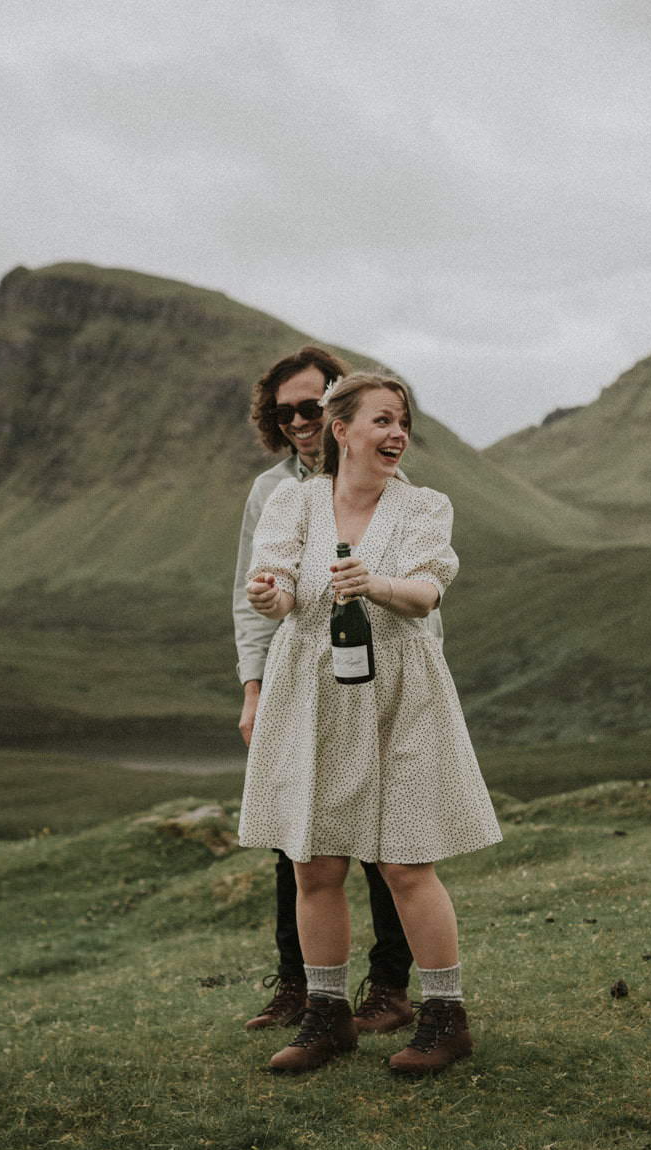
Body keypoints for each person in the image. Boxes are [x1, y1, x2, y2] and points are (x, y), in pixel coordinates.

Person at [239, 370, 500, 1076]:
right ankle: (327, 1017)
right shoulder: (293, 502)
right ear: (342, 429)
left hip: (401, 694)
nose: (396, 433)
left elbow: (426, 591)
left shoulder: (424, 507)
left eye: (403, 420)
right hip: (312, 694)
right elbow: (281, 589)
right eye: (382, 419)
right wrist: (271, 594)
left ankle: (446, 1017)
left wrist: (375, 584)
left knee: (406, 861)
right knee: (314, 860)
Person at [233, 347, 415, 1039]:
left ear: (337, 411)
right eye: (285, 415)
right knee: (297, 834)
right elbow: (252, 592)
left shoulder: (385, 479)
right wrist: (253, 688)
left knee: (385, 834)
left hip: (374, 687)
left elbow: (414, 590)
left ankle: (391, 986)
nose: (300, 423)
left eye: (311, 408)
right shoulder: (271, 492)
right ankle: (303, 987)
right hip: (299, 687)